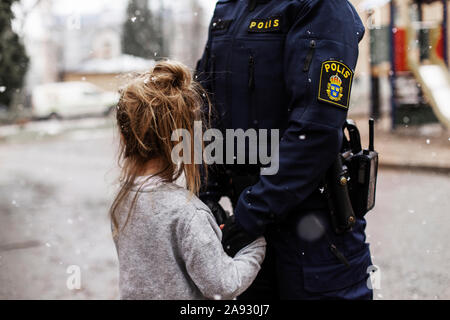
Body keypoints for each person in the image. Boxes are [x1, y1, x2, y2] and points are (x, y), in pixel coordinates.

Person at [196, 0, 373, 299]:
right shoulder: (228, 7)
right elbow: (206, 106)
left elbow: (316, 130)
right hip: (246, 230)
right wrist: (207, 193)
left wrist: (253, 211)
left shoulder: (320, 6)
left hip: (313, 235)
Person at [110, 60, 266, 300]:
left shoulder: (122, 200)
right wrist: (255, 245)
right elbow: (222, 285)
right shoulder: (187, 213)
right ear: (181, 140)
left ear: (123, 135)